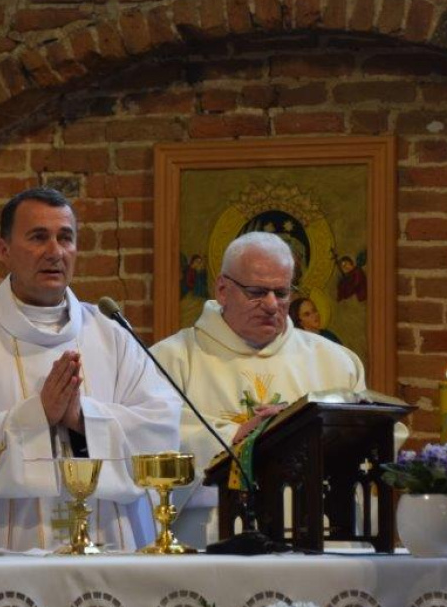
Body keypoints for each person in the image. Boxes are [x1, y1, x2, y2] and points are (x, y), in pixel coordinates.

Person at [0, 188, 180, 552]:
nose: (55, 252)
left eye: (65, 238)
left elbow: (160, 426)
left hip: (107, 557)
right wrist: (37, 416)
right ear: (3, 249)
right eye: (39, 237)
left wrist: (84, 418)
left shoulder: (112, 336)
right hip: (4, 559)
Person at [151, 231, 372, 546]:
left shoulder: (337, 363)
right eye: (256, 292)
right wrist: (237, 436)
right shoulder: (170, 360)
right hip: (210, 544)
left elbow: (370, 447)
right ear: (223, 290)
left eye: (281, 293)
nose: (271, 305)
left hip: (317, 542)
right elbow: (149, 440)